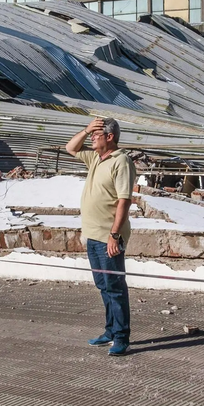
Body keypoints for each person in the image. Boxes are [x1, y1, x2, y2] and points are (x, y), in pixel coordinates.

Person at [64, 118, 138, 357]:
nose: (93, 138)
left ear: (110, 137)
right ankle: (110, 330)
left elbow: (124, 200)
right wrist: (86, 129)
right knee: (103, 286)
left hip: (109, 237)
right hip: (93, 235)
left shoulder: (121, 161)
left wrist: (114, 235)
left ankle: (121, 337)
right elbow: (71, 148)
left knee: (115, 287)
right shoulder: (96, 158)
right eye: (92, 134)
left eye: (97, 134)